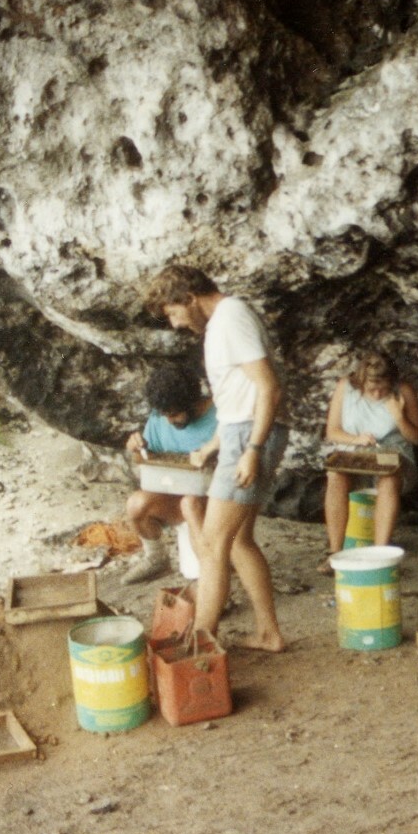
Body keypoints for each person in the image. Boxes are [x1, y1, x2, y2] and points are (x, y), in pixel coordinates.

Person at [143, 264, 289, 652]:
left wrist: (252, 450)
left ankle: (200, 644)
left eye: (174, 313)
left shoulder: (231, 318)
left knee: (212, 545)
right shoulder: (223, 323)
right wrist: (212, 445)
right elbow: (236, 397)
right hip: (240, 433)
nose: (174, 324)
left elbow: (268, 388)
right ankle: (268, 633)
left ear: (190, 298)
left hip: (251, 436)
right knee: (239, 540)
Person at [120, 362, 217, 584]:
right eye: (164, 415)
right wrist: (136, 448)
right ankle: (157, 559)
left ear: (192, 402)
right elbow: (145, 459)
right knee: (137, 504)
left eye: (174, 414)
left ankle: (212, 581)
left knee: (190, 504)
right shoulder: (159, 417)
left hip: (214, 498)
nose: (169, 421)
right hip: (177, 495)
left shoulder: (219, 415)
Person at [322, 349, 418, 558]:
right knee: (335, 475)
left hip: (393, 453)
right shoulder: (345, 387)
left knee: (388, 478)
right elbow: (332, 432)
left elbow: (416, 438)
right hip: (356, 451)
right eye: (372, 389)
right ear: (361, 382)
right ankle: (335, 552)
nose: (377, 394)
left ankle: (380, 553)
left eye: (383, 389)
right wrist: (356, 439)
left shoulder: (403, 391)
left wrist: (398, 416)